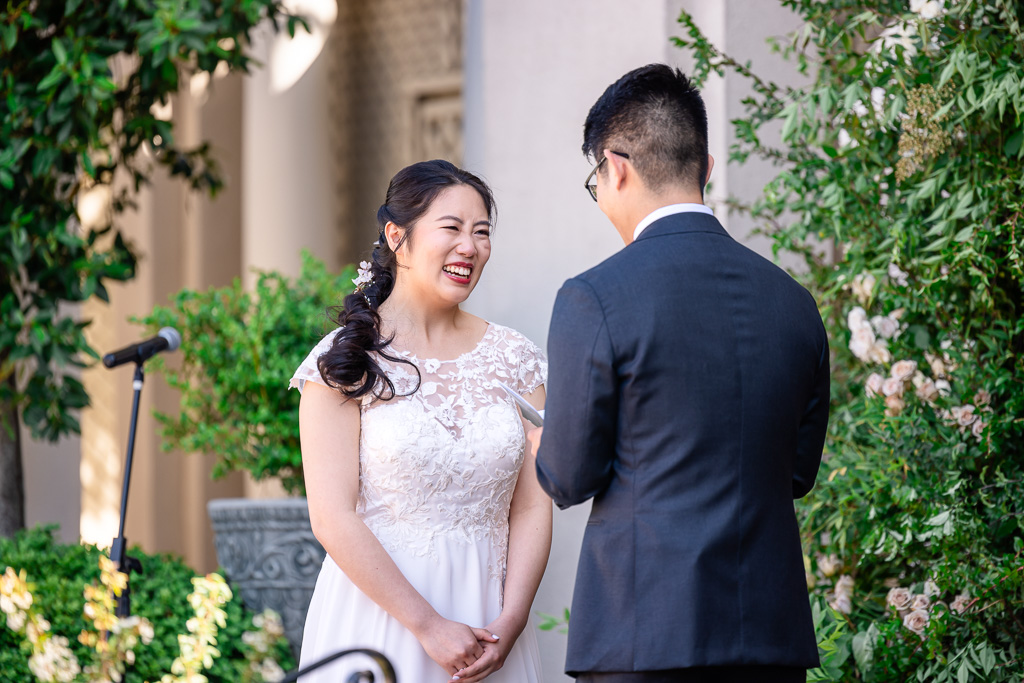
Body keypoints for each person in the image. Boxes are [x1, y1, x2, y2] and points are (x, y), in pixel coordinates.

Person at [531, 64, 830, 682]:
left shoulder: (595, 296)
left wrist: (542, 440)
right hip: (769, 638)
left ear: (615, 167)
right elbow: (797, 474)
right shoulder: (793, 301)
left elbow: (568, 476)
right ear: (708, 168)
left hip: (644, 635)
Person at [290, 159, 551, 683]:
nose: (470, 247)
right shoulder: (343, 360)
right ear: (398, 237)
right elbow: (332, 516)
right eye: (451, 228)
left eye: (481, 233)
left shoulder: (516, 358)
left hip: (489, 620)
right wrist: (428, 624)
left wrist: (513, 620)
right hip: (382, 619)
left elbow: (531, 505)